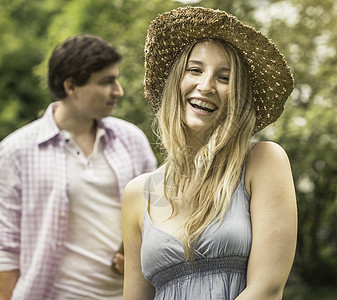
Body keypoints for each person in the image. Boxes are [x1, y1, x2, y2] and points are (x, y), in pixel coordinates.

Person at [122, 6, 297, 300]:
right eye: (195, 70)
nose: (206, 86)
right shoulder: (138, 194)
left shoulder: (263, 162)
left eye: (224, 78)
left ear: (239, 96)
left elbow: (266, 290)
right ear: (176, 81)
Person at [0, 34, 157, 300]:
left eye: (116, 78)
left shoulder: (132, 140)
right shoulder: (16, 151)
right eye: (106, 82)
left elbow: (156, 216)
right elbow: (6, 246)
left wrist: (140, 253)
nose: (119, 90)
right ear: (71, 86)